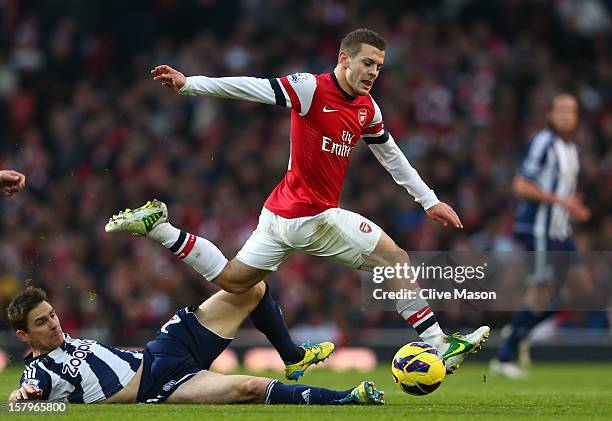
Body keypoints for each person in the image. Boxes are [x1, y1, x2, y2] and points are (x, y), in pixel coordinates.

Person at [107, 28, 489, 373]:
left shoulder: (367, 109)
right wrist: (190, 84)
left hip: (278, 214)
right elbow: (252, 87)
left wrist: (428, 200)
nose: (373, 72)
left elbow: (390, 154)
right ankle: (439, 343)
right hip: (313, 217)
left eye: (379, 67)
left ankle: (160, 229)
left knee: (233, 279)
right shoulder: (311, 88)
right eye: (367, 63)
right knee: (396, 260)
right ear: (344, 59)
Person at [7, 285, 384, 405]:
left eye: (52, 314)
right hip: (161, 387)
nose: (53, 323)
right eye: (42, 322)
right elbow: (18, 405)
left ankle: (293, 357)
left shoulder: (65, 341)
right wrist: (20, 400)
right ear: (23, 336)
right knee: (250, 387)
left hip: (162, 349)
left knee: (251, 288)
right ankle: (347, 398)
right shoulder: (39, 372)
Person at [490, 92, 593, 378]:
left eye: (571, 111)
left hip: (562, 230)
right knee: (540, 290)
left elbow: (563, 193)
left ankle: (522, 327)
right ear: (550, 114)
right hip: (539, 228)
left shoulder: (571, 148)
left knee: (582, 292)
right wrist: (560, 202)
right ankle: (504, 357)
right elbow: (521, 185)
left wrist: (574, 208)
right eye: (561, 110)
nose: (566, 116)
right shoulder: (543, 142)